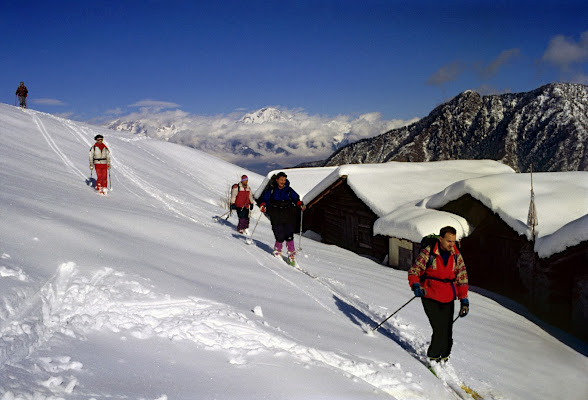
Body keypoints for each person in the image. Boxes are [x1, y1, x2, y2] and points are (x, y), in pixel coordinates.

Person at [408, 226, 469, 365]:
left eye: (453, 241)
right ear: (440, 239)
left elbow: (462, 277)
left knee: (447, 331)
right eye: (448, 241)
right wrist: (416, 286)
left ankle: (444, 358)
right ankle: (433, 359)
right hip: (429, 295)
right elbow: (414, 271)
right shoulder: (428, 252)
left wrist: (464, 300)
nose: (451, 245)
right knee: (439, 329)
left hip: (448, 296)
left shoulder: (456, 255)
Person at [259, 171, 305, 265]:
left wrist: (299, 204)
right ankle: (277, 251)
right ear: (277, 180)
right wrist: (263, 205)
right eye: (281, 180)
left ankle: (291, 254)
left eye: (284, 180)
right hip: (275, 212)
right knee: (279, 232)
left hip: (287, 211)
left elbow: (295, 198)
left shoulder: (288, 189)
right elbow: (265, 199)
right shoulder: (272, 189)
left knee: (289, 232)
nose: (283, 182)